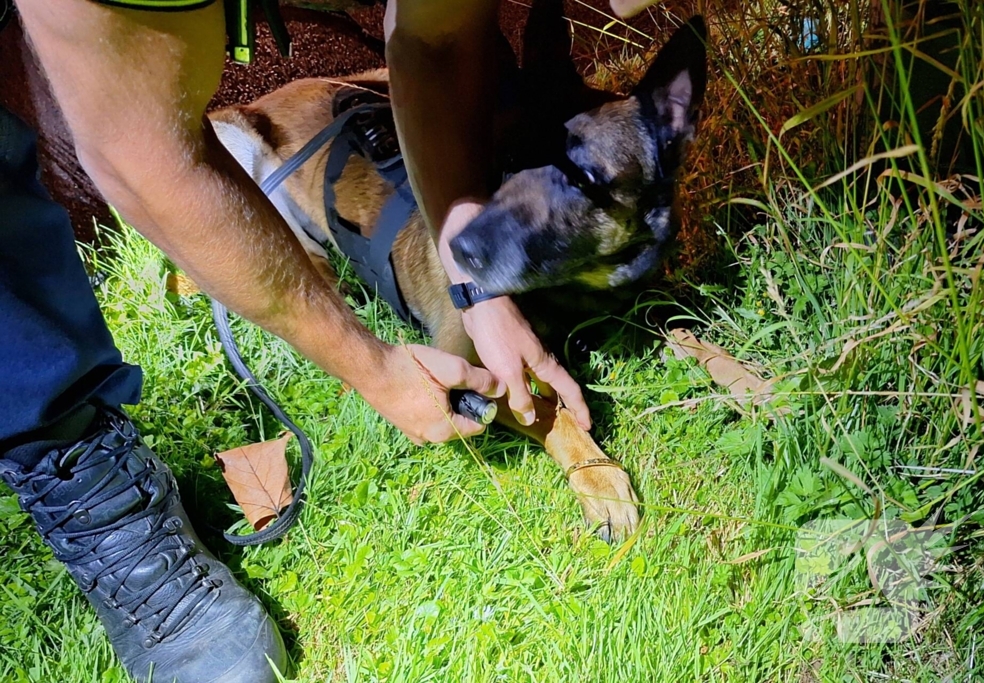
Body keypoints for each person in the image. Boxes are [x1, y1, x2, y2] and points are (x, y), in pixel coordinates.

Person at [0, 0, 658, 680]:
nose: (618, 14)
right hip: (266, 131)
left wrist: (477, 285)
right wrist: (374, 367)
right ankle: (77, 462)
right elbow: (141, 156)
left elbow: (433, 47)